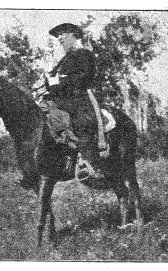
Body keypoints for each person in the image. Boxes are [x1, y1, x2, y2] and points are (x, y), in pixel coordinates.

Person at [45, 23, 107, 179]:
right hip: (63, 100)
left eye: (62, 34)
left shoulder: (84, 54)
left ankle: (87, 162)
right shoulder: (63, 60)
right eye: (57, 35)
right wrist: (49, 83)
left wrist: (62, 82)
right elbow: (54, 82)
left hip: (81, 99)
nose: (59, 38)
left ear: (73, 35)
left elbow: (87, 75)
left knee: (81, 122)